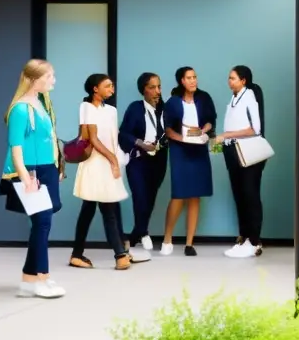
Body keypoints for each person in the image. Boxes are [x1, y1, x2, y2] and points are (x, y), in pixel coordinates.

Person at [1, 59, 65, 299]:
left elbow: (48, 140)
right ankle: (40, 278)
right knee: (42, 224)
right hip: (31, 171)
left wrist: (57, 167)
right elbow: (15, 147)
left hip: (46, 169)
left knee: (42, 224)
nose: (53, 81)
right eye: (49, 76)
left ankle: (32, 279)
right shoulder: (20, 109)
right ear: (33, 79)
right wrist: (25, 177)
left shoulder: (40, 103)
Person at [68, 74, 138, 270]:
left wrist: (116, 161)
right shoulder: (86, 107)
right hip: (94, 164)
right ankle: (120, 255)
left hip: (108, 164)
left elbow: (113, 139)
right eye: (107, 86)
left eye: (112, 86)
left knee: (89, 210)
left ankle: (77, 254)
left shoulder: (112, 110)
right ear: (95, 89)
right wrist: (113, 160)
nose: (111, 89)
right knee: (107, 208)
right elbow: (93, 139)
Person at [160, 66, 216, 256]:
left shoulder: (204, 97)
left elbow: (210, 120)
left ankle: (189, 243)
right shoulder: (173, 102)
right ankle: (167, 238)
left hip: (199, 148)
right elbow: (167, 129)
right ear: (181, 81)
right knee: (179, 194)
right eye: (189, 78)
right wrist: (183, 139)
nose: (193, 81)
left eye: (195, 77)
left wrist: (204, 131)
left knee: (195, 194)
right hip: (180, 149)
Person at [214, 65, 267, 258]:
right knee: (239, 195)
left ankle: (254, 241)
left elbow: (255, 129)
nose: (229, 81)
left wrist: (227, 134)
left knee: (250, 195)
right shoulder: (234, 98)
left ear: (243, 80)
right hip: (232, 151)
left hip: (247, 152)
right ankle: (244, 237)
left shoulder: (250, 96)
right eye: (229, 78)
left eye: (233, 78)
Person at [117, 72, 168, 252]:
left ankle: (135, 235)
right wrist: (141, 144)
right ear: (143, 90)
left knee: (150, 198)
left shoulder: (163, 108)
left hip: (159, 160)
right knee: (140, 197)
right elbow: (123, 134)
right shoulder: (135, 108)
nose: (157, 91)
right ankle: (143, 232)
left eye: (159, 86)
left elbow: (170, 130)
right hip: (138, 160)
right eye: (152, 87)